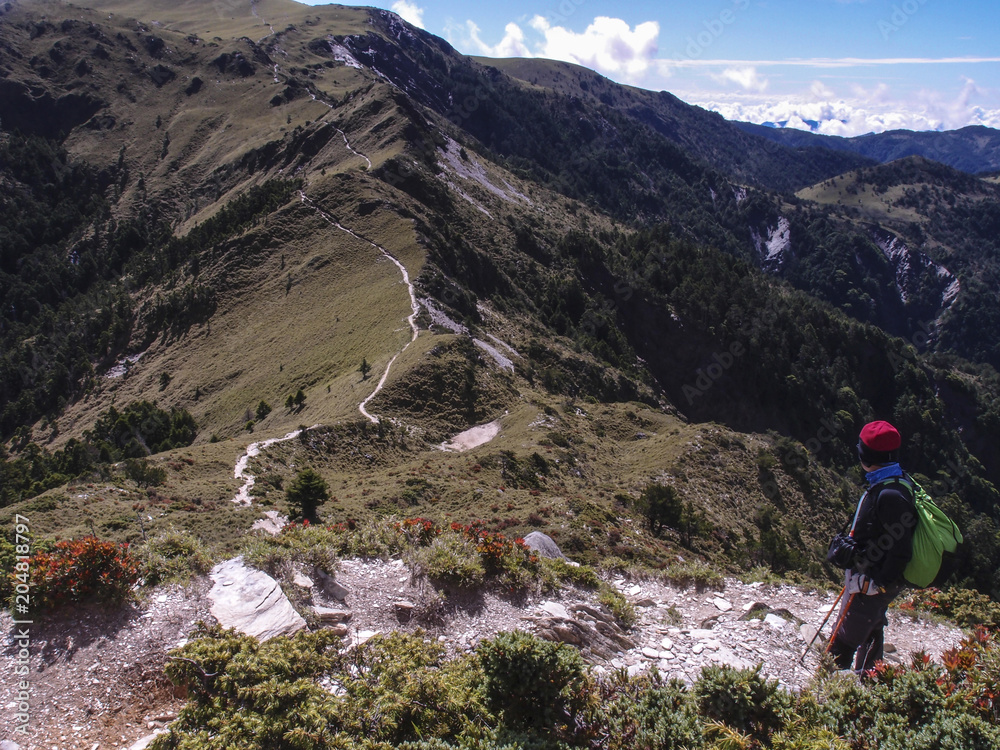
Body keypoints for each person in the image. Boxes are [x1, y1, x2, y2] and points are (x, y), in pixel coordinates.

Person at [825, 420, 917, 674]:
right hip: (874, 580)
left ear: (866, 455)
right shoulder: (894, 482)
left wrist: (878, 584)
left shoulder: (889, 494)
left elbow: (901, 551)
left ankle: (826, 698)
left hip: (872, 584)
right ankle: (871, 685)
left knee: (839, 646)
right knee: (871, 626)